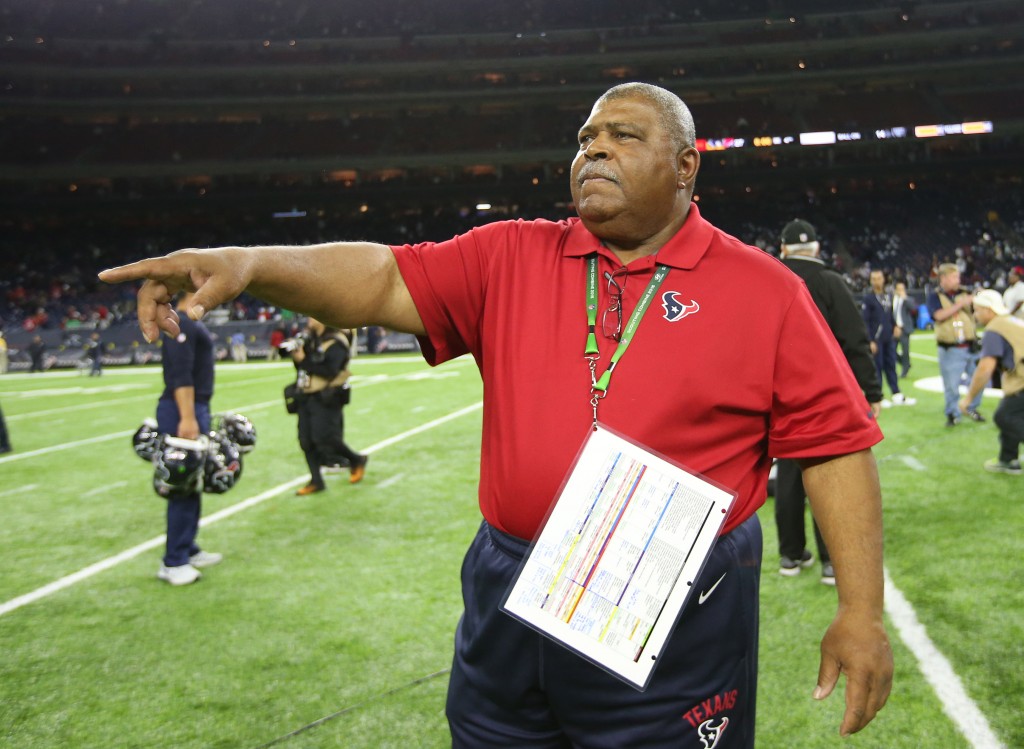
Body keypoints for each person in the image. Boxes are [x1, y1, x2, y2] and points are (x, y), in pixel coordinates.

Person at [100, 82, 892, 745]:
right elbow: (380, 279)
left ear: (687, 166)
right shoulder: (513, 252)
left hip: (672, 586)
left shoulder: (764, 290)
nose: (594, 149)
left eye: (623, 134)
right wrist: (250, 264)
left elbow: (832, 449)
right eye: (585, 137)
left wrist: (860, 611)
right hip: (512, 572)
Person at [774, 219, 883, 585]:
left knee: (788, 477)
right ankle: (830, 562)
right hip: (826, 395)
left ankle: (790, 554)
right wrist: (872, 391)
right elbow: (855, 340)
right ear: (818, 249)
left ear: (784, 248)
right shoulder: (832, 282)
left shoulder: (769, 277)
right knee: (829, 476)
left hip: (779, 394)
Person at [155, 292, 222, 586]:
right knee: (182, 482)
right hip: (183, 409)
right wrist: (188, 417)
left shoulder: (188, 323)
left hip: (194, 407)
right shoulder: (179, 323)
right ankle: (174, 561)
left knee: (193, 481)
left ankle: (187, 546)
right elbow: (181, 375)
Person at [289, 317, 367, 494]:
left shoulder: (336, 342)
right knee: (306, 440)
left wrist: (303, 360)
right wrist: (297, 358)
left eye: (312, 316)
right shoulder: (312, 339)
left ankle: (356, 459)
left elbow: (329, 371)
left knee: (326, 438)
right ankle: (316, 480)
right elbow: (304, 370)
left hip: (326, 396)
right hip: (306, 395)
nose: (308, 319)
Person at [959, 290, 1024, 475]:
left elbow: (986, 367)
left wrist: (969, 398)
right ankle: (1007, 459)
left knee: (1005, 417)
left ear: (988, 310)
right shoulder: (1011, 320)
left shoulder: (995, 328)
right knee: (1011, 413)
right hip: (1019, 379)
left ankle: (1008, 459)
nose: (975, 315)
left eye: (977, 310)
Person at [927, 263, 984, 426]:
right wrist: (961, 303)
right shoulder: (935, 296)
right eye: (954, 277)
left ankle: (971, 407)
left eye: (958, 276)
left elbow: (977, 314)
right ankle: (952, 413)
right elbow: (938, 315)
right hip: (950, 348)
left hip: (970, 345)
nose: (957, 280)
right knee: (951, 385)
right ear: (943, 278)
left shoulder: (965, 292)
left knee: (978, 380)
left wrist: (979, 299)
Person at [862, 270, 916, 408]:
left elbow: (890, 314)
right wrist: (870, 340)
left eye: (878, 278)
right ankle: (879, 396)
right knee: (878, 367)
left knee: (891, 365)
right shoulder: (869, 298)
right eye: (873, 279)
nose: (876, 281)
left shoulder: (887, 296)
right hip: (876, 339)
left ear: (883, 279)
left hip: (888, 338)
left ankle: (896, 393)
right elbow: (865, 321)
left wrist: (895, 326)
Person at [893, 281, 918, 378]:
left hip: (904, 328)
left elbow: (914, 309)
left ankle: (905, 371)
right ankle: (905, 362)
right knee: (891, 351)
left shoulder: (908, 299)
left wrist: (905, 298)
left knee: (905, 350)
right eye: (899, 289)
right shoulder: (892, 299)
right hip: (894, 329)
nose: (900, 291)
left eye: (902, 289)